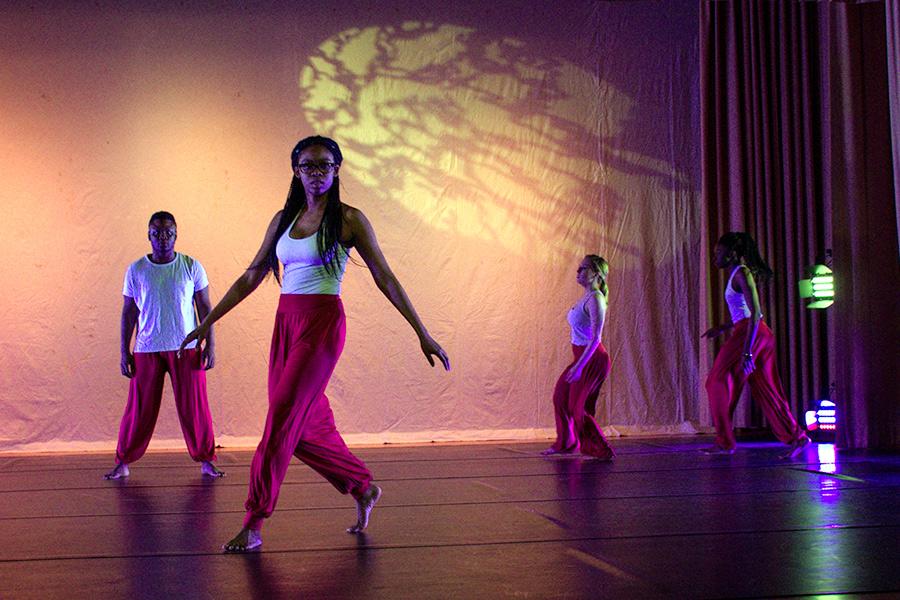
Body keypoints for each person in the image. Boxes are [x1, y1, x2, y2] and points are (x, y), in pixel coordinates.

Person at [179, 135, 451, 553]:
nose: (317, 173)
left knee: (280, 421)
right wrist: (207, 322)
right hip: (286, 322)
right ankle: (361, 486)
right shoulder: (283, 219)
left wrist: (422, 332)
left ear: (337, 169)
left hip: (322, 325)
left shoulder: (349, 219)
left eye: (325, 165)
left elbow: (386, 277)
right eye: (308, 166)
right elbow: (252, 276)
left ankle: (254, 523)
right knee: (302, 427)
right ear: (296, 170)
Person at [104, 211, 224, 480]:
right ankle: (123, 461)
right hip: (146, 348)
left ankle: (206, 460)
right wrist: (124, 352)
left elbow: (205, 308)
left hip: (186, 348)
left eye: (168, 232)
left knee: (195, 407)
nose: (162, 238)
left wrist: (211, 345)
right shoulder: (136, 270)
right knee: (139, 408)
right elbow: (128, 313)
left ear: (176, 235)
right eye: (156, 233)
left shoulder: (191, 266)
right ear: (148, 235)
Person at [701, 232, 810, 458]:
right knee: (766, 390)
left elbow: (756, 312)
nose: (715, 258)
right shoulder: (735, 274)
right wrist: (722, 328)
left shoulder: (742, 274)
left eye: (718, 253)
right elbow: (742, 311)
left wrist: (748, 351)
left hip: (752, 333)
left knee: (715, 380)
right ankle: (798, 437)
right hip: (754, 332)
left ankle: (725, 442)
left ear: (731, 254)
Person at [541, 255, 615, 460]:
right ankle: (566, 443)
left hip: (592, 359)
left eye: (583, 269)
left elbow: (596, 338)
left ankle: (601, 449)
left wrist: (580, 367)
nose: (578, 272)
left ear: (596, 274)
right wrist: (577, 364)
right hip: (581, 357)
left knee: (578, 407)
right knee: (561, 397)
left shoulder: (596, 299)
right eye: (579, 268)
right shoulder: (585, 297)